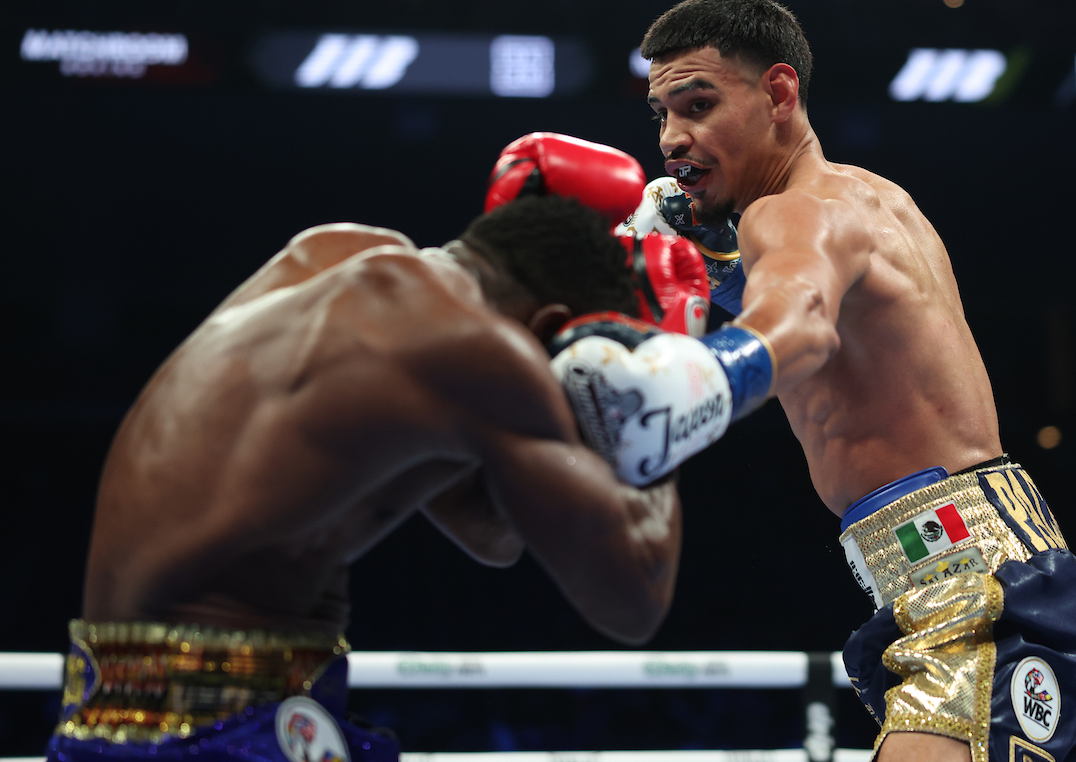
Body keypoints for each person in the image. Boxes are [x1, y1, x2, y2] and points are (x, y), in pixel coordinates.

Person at [548, 0, 1076, 762]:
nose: (674, 138)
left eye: (700, 103)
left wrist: (699, 382)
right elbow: (811, 309)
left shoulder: (793, 214)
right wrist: (710, 263)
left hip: (973, 593)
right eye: (663, 115)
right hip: (993, 567)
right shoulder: (868, 200)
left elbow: (801, 319)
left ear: (780, 92)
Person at [47, 180, 709, 762]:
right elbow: (634, 598)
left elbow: (494, 535)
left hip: (142, 707)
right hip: (214, 731)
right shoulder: (481, 350)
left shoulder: (335, 256)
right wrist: (660, 375)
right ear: (552, 324)